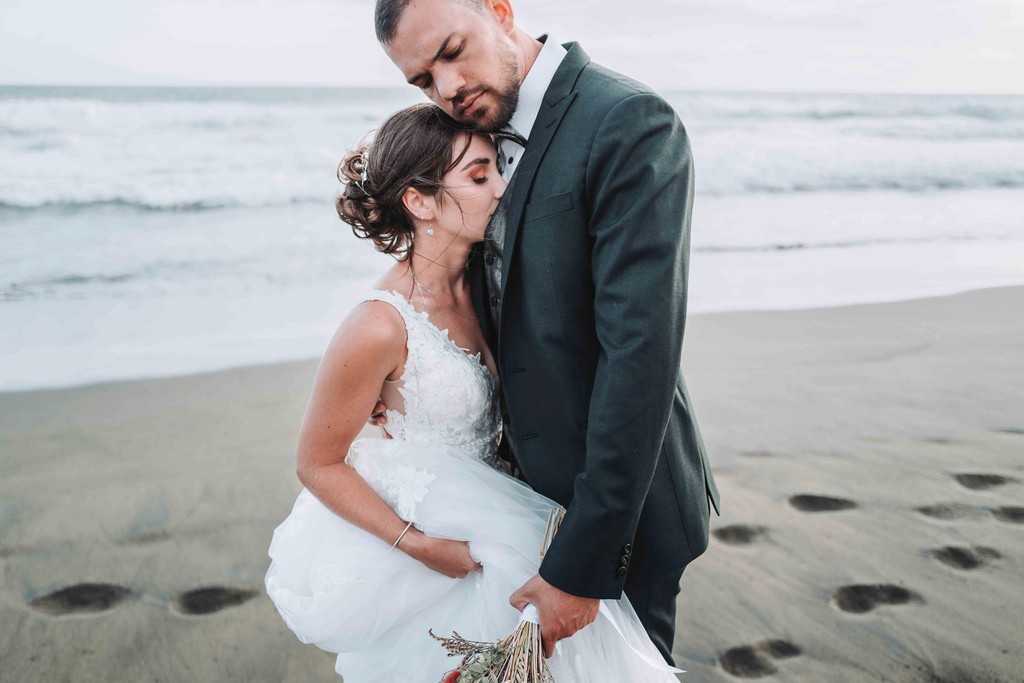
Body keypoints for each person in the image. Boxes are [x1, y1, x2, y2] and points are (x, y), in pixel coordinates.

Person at [265, 103, 683, 682]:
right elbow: (317, 462)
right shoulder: (377, 325)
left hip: (513, 511)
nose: (503, 188)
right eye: (480, 176)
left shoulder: (492, 283)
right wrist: (419, 546)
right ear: (420, 201)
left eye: (498, 170)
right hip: (440, 551)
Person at [372, 0, 720, 664]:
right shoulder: (463, 135)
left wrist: (582, 565)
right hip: (512, 509)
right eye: (421, 80)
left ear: (500, 10)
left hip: (619, 520)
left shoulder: (627, 123)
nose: (445, 88)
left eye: (451, 51)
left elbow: (638, 355)